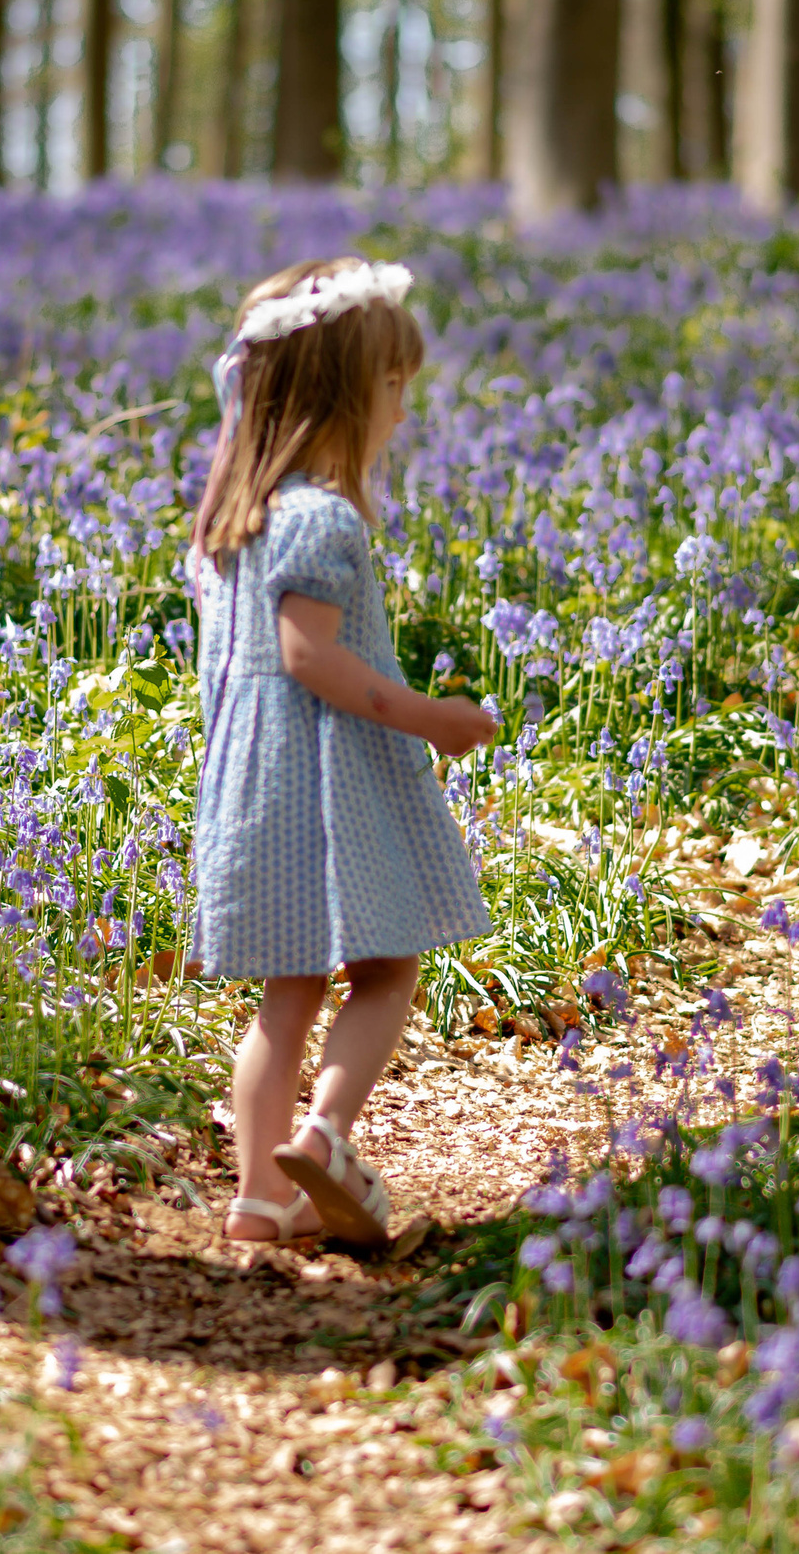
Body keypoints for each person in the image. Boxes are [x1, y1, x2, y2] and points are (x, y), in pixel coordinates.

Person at [186, 257, 498, 1246]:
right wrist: (428, 715)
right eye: (392, 386)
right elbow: (306, 654)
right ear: (337, 393)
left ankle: (256, 1197)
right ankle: (321, 1139)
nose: (401, 410)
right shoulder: (323, 518)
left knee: (283, 999)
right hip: (327, 779)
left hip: (252, 783)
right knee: (385, 970)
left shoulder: (229, 525)